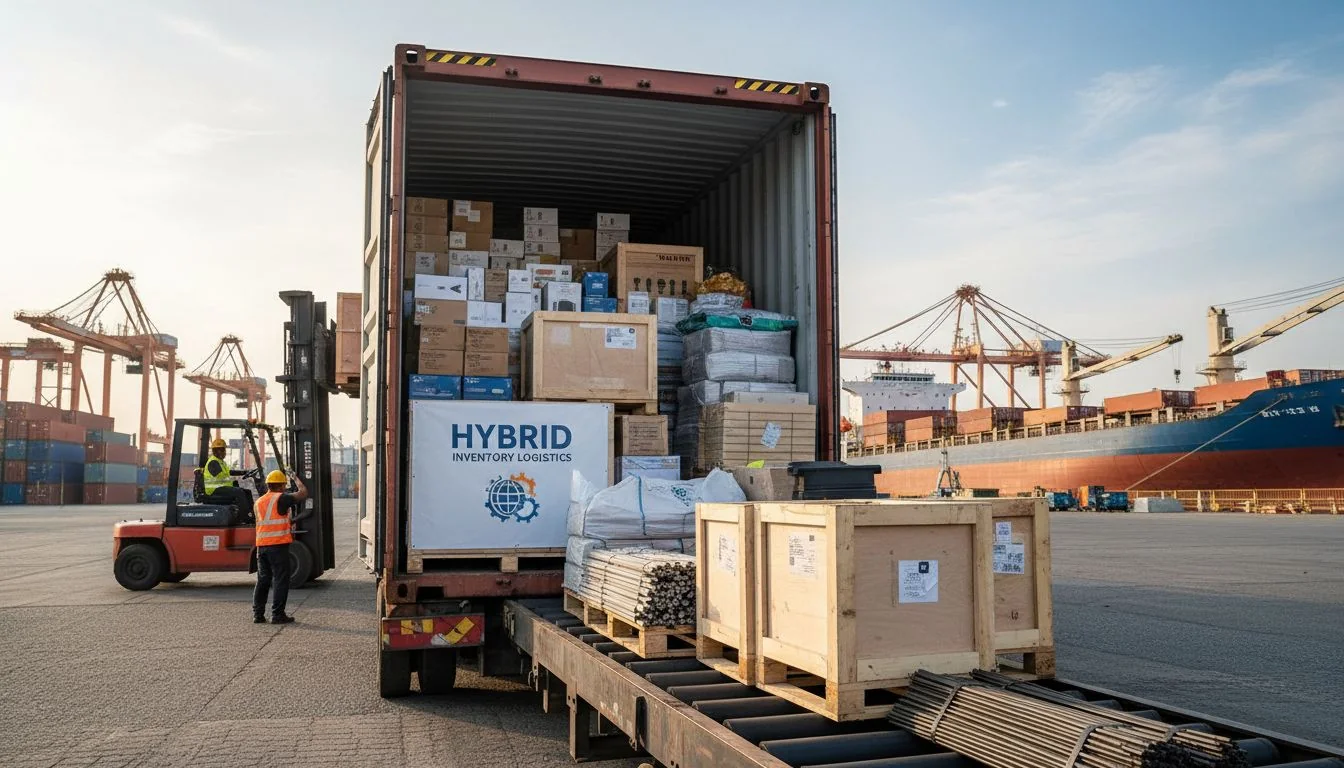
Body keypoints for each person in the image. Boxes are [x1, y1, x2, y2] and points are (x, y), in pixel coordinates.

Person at [253, 469, 308, 624]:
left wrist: (288, 522)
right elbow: (303, 493)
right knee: (280, 579)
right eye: (284, 485)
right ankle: (277, 614)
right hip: (277, 546)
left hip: (261, 546)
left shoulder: (259, 502)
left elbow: (268, 522)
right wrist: (295, 477)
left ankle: (258, 614)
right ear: (281, 486)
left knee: (263, 580)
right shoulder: (281, 498)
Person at [199, 438, 252, 516]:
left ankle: (251, 513)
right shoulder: (213, 462)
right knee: (239, 492)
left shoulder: (220, 462)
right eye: (220, 450)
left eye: (223, 450)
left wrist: (244, 472)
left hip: (221, 488)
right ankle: (245, 516)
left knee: (246, 492)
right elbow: (220, 476)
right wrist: (235, 480)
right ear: (215, 451)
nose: (223, 452)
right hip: (214, 490)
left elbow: (228, 472)